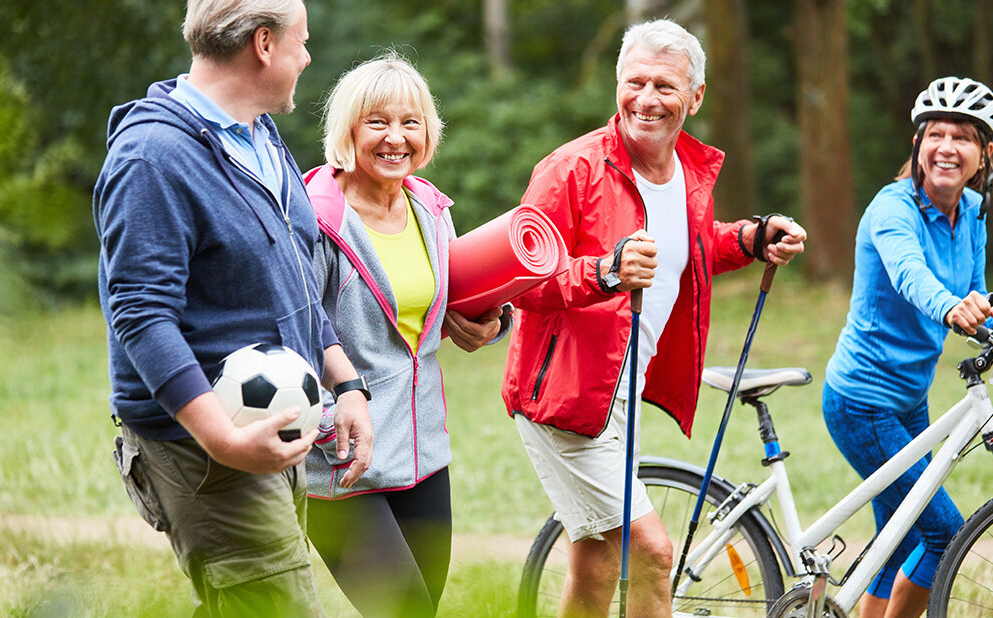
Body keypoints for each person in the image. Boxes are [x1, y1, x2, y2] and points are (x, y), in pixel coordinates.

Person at [501, 19, 806, 617]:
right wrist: (605, 273)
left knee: (595, 561)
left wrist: (749, 238)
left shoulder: (690, 174)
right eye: (634, 81)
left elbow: (686, 248)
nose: (646, 99)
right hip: (565, 398)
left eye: (665, 86)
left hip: (622, 393)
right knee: (651, 551)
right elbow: (521, 282)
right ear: (617, 83)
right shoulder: (571, 169)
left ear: (694, 98)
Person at [93, 0, 373, 614]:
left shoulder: (258, 135)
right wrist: (222, 439)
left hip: (268, 426)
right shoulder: (153, 158)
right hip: (205, 445)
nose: (308, 57)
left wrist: (345, 382)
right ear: (265, 45)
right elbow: (140, 314)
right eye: (302, 41)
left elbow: (292, 278)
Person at [822, 76, 993, 618]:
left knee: (897, 536)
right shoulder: (892, 208)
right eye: (936, 134)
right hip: (861, 401)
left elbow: (974, 292)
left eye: (963, 137)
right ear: (918, 145)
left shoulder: (972, 212)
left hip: (909, 399)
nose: (947, 147)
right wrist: (949, 308)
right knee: (944, 532)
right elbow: (910, 275)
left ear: (984, 154)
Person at [302, 51, 508, 618]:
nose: (396, 138)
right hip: (343, 457)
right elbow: (292, 328)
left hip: (423, 455)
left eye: (410, 123)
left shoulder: (430, 208)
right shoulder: (315, 218)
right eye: (378, 122)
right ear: (348, 130)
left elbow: (447, 302)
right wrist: (323, 421)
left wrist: (492, 321)